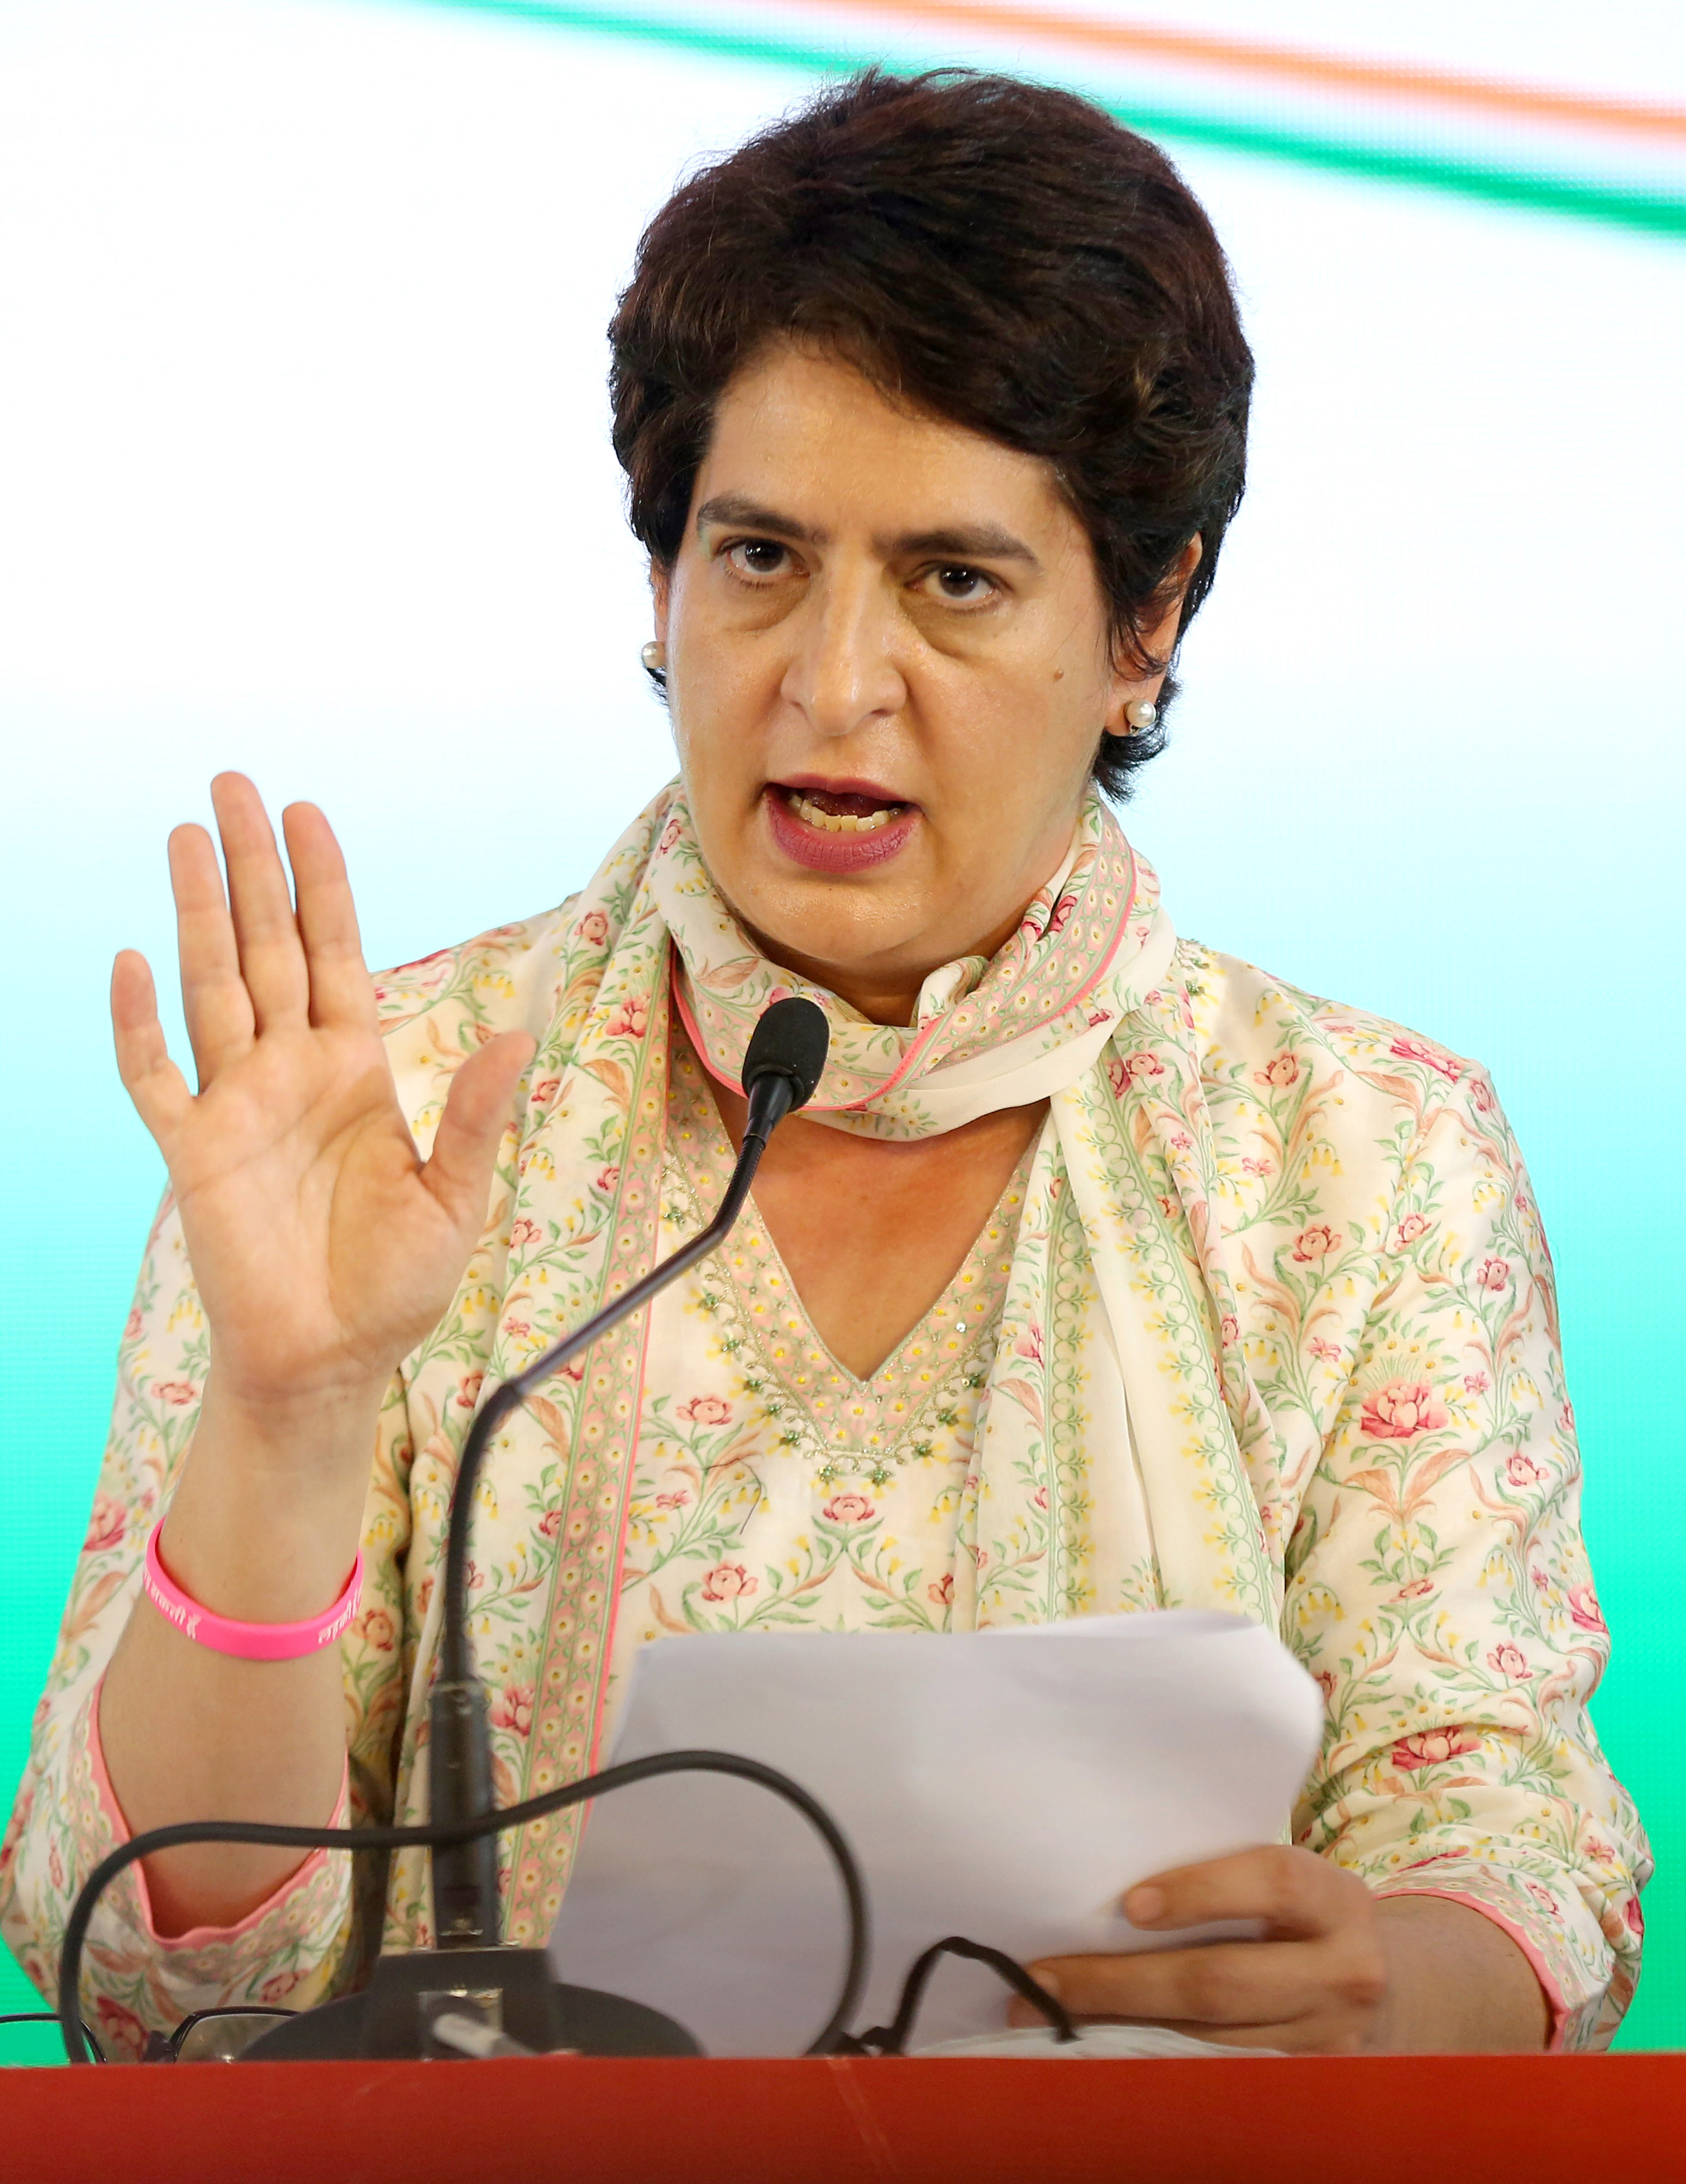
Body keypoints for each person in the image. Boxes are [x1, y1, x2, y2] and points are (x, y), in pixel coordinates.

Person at [0, 69, 1645, 2062]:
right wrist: (287, 1414)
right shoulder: (377, 1114)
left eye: (954, 579)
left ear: (1149, 618)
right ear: (664, 581)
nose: (830, 682)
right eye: (760, 556)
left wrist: (1395, 1989)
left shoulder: (1368, 1155)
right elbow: (151, 1994)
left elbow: (1507, 1845)